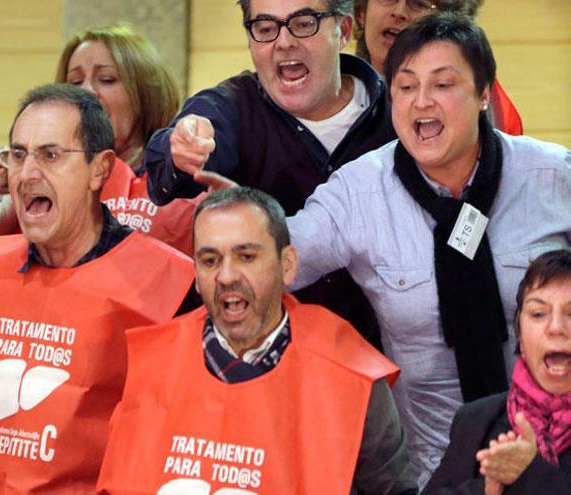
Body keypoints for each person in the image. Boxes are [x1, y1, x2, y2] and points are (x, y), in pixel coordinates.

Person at [284, 12, 571, 487]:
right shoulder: (358, 192)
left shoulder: (552, 177)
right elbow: (278, 262)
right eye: (405, 86)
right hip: (431, 473)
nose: (421, 102)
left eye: (443, 84)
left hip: (555, 465)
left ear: (484, 94)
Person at [96, 187, 416, 494]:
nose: (227, 275)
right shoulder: (150, 362)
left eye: (246, 256)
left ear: (287, 265)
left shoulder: (352, 378)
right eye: (210, 260)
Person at [0, 84, 195, 493]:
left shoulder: (170, 283)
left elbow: (178, 439)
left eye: (50, 155)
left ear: (100, 170)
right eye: (18, 155)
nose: (29, 174)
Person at [144, 0, 397, 349]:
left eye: (304, 23)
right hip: (264, 362)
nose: (283, 41)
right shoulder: (232, 107)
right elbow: (165, 164)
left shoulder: (396, 113)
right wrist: (181, 146)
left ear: (345, 30)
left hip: (385, 364)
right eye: (265, 28)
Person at [0, 24, 201, 255]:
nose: (87, 92)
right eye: (74, 82)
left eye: (106, 79)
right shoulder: (39, 167)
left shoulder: (180, 170)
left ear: (146, 93)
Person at [423, 249, 571, 495]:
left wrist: (529, 469)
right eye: (538, 313)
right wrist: (489, 488)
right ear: (521, 338)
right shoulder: (475, 419)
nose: (556, 327)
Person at [352, 0, 523, 134]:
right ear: (361, 14)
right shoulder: (335, 92)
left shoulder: (480, 98)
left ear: (449, 24)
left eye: (419, 3)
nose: (399, 12)